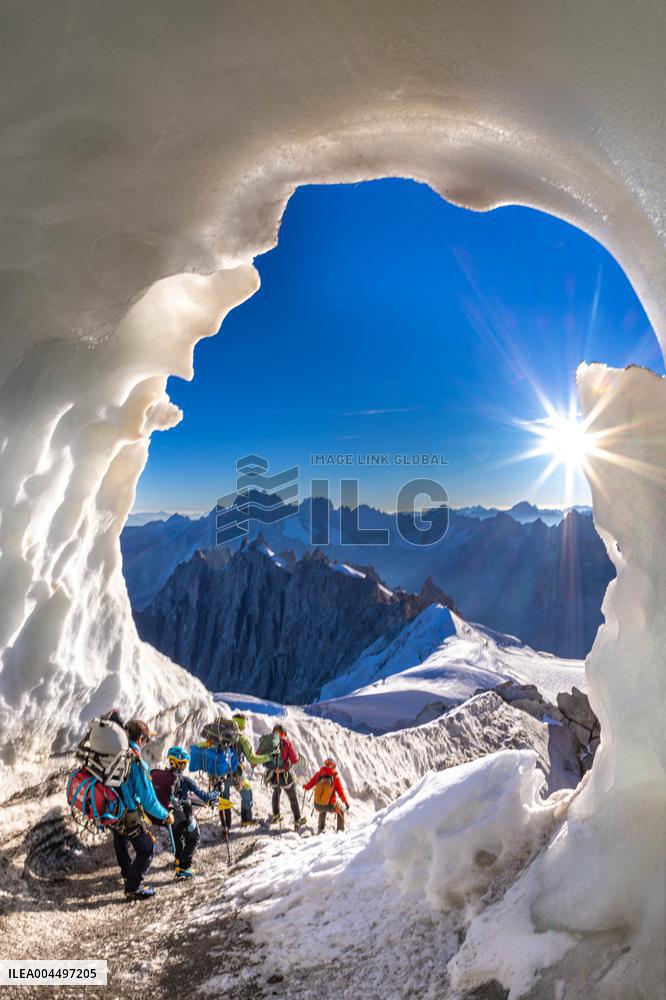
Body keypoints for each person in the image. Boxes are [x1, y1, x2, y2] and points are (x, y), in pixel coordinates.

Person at [114, 719, 173, 901]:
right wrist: (165, 815)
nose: (146, 743)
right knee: (146, 848)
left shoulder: (117, 753)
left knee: (120, 838)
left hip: (113, 808)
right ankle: (133, 887)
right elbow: (148, 800)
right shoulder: (137, 763)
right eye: (146, 740)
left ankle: (127, 873)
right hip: (128, 812)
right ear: (140, 739)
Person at [164, 746, 219, 879]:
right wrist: (215, 793)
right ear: (181, 763)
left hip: (169, 816)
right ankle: (184, 867)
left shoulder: (164, 777)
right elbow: (204, 796)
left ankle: (179, 862)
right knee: (194, 837)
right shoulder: (185, 780)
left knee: (179, 838)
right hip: (184, 815)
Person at [218, 713, 269, 832]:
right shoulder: (242, 739)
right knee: (247, 794)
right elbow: (252, 758)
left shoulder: (221, 737)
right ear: (242, 724)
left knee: (224, 798)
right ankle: (246, 819)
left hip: (221, 774)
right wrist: (267, 758)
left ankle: (225, 826)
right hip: (237, 774)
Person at [268, 723, 305, 830]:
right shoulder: (287, 741)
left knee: (276, 792)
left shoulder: (270, 743)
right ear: (283, 732)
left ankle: (276, 815)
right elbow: (295, 759)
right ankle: (297, 821)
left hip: (274, 775)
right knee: (292, 797)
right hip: (285, 775)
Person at [304, 757, 349, 834]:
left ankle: (320, 829)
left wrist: (305, 786)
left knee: (322, 807)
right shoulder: (335, 778)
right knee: (340, 810)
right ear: (333, 766)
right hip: (329, 805)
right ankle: (340, 832)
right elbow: (341, 793)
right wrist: (346, 803)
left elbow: (308, 786)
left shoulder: (318, 774)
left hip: (317, 805)